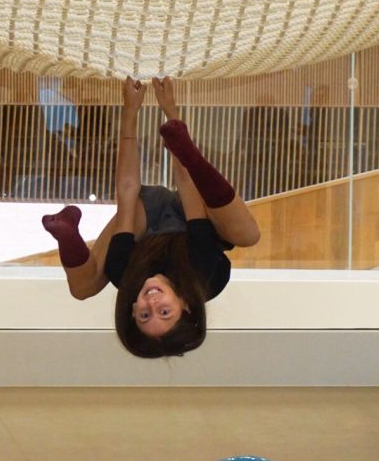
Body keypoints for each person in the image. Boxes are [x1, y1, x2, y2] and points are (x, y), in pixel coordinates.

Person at [41, 77, 261, 357]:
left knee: (83, 289)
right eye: (165, 312)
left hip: (148, 214)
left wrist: (130, 111)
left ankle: (67, 232)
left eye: (145, 315)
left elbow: (128, 192)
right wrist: (173, 117)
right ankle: (194, 157)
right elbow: (189, 189)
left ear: (133, 312)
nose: (151, 303)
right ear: (186, 306)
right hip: (192, 211)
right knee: (247, 235)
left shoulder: (126, 275)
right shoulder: (203, 276)